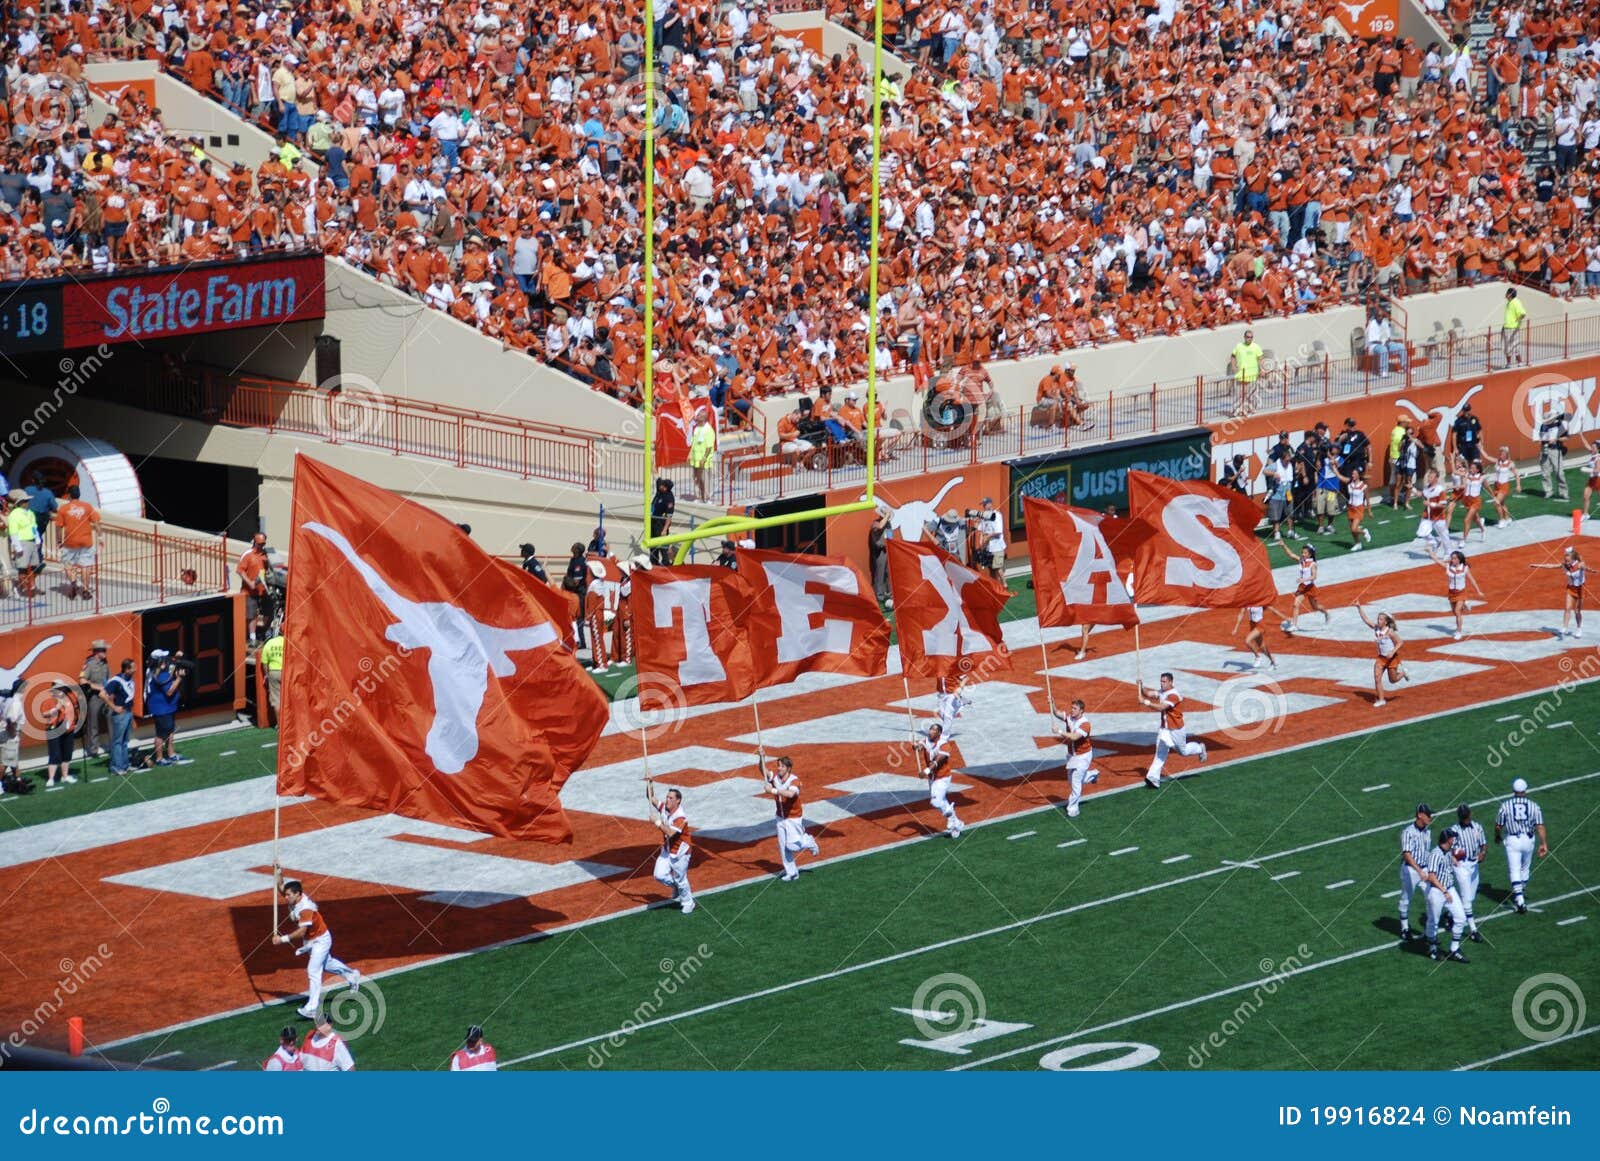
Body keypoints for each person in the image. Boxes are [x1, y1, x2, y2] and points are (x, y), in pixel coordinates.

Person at [273, 868, 362, 1018]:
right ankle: (353, 976)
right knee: (327, 964)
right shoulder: (294, 897)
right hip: (311, 941)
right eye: (286, 895)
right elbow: (281, 887)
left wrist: (282, 939)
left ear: (298, 894)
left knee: (313, 971)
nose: (286, 897)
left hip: (320, 940)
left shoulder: (305, 908)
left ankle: (312, 1008)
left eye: (289, 895)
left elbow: (301, 931)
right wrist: (278, 869)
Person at [1136, 672, 1207, 789]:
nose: (1162, 684)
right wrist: (1141, 685)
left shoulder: (1174, 695)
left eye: (1164, 682)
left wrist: (1145, 702)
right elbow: (1148, 693)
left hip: (1176, 729)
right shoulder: (1161, 692)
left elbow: (1161, 707)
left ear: (1170, 682)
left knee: (1182, 751)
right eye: (1161, 681)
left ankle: (1200, 748)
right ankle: (1153, 778)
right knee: (1160, 752)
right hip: (1164, 729)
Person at [760, 752, 820, 882]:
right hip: (780, 817)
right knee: (783, 846)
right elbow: (763, 770)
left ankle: (808, 841)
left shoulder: (795, 780)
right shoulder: (775, 778)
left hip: (793, 817)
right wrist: (761, 758)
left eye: (781, 766)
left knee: (792, 845)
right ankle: (792, 873)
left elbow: (790, 794)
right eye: (778, 766)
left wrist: (773, 791)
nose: (778, 768)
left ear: (788, 768)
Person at [1495, 777, 1548, 915]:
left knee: (1514, 870)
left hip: (1513, 839)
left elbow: (1498, 825)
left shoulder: (1505, 805)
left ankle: (1519, 898)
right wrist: (1543, 843)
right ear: (1525, 790)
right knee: (1525, 869)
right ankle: (1520, 896)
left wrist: (1497, 836)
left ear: (1513, 791)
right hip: (1528, 839)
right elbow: (1540, 826)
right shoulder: (1533, 806)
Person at [1421, 828, 1470, 963]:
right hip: (1437, 891)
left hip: (1449, 889)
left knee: (1461, 917)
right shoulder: (1435, 854)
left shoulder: (1447, 852)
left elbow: (1449, 860)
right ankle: (1432, 949)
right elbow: (1431, 876)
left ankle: (1454, 949)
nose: (1454, 840)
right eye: (1452, 838)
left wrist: (1455, 860)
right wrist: (1444, 891)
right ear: (1448, 840)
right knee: (1433, 921)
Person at [646, 782, 695, 914]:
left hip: (680, 852)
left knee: (681, 879)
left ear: (678, 801)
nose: (667, 800)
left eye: (671, 798)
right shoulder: (664, 808)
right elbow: (651, 798)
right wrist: (650, 783)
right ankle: (676, 887)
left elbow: (670, 833)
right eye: (667, 797)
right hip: (667, 850)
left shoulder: (680, 817)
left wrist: (656, 822)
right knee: (659, 875)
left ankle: (688, 903)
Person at [1052, 698, 1099, 819]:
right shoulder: (1069, 718)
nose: (1071, 710)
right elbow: (1056, 713)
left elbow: (1074, 737)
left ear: (1081, 710)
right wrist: (1052, 703)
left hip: (1083, 756)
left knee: (1076, 782)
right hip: (1072, 756)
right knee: (1071, 781)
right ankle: (1092, 775)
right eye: (1071, 708)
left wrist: (1059, 731)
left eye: (1074, 708)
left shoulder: (1085, 724)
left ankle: (1073, 808)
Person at [1447, 803, 1487, 944]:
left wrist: (1483, 853)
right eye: (1463, 817)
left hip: (1474, 864)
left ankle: (1450, 914)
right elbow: (1449, 849)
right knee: (1466, 899)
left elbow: (1483, 844)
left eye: (1467, 816)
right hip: (1461, 866)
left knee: (1470, 896)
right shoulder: (1454, 830)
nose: (1466, 819)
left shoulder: (1477, 827)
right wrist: (1454, 856)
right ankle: (1473, 930)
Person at [1396, 803, 1434, 945]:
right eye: (1428, 814)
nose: (1430, 817)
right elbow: (1406, 854)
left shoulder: (1427, 832)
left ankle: (1429, 931)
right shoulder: (1408, 832)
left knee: (1431, 897)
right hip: (1411, 870)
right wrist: (1419, 870)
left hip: (1424, 869)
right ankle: (1405, 928)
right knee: (1406, 898)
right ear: (1420, 815)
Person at [1356, 605, 1409, 707]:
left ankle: (1403, 673)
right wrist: (1359, 607)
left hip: (1392, 659)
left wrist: (1392, 652)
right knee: (1377, 677)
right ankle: (1381, 700)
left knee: (1392, 680)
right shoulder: (1376, 628)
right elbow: (1366, 620)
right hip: (1381, 658)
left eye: (1380, 619)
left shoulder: (1390, 632)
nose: (1378, 621)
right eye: (1378, 619)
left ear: (1385, 622)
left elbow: (1400, 642)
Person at [1427, 546, 1483, 641]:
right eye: (1451, 558)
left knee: (1457, 612)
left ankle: (1459, 631)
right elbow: (1436, 560)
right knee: (1454, 612)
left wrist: (1478, 591)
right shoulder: (1448, 567)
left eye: (1454, 558)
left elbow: (1472, 579)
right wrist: (1430, 551)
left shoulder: (1465, 568)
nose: (1452, 560)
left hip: (1461, 592)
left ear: (1459, 559)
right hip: (1452, 593)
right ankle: (1465, 604)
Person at [55, 486, 100, 601]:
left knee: (68, 565)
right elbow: (96, 522)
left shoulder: (63, 509)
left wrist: (59, 541)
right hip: (86, 541)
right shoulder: (87, 507)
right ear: (79, 494)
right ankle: (85, 590)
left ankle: (73, 585)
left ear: (69, 495)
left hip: (70, 542)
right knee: (86, 565)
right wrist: (101, 537)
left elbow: (59, 527)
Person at [918, 722, 963, 838]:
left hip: (943, 777)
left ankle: (951, 816)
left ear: (939, 733)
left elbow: (938, 761)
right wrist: (916, 747)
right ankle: (956, 824)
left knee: (936, 801)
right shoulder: (926, 740)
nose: (931, 732)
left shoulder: (944, 745)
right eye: (930, 729)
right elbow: (919, 745)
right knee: (941, 799)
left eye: (934, 730)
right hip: (933, 778)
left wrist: (927, 771)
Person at [1529, 546, 1585, 638]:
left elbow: (1584, 566)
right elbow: (1551, 566)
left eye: (1568, 560)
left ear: (1573, 559)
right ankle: (1565, 628)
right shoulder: (1565, 565)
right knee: (1567, 608)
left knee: (1577, 611)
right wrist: (1537, 565)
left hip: (1580, 589)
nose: (1566, 562)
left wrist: (1586, 568)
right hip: (1570, 588)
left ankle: (1579, 629)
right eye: (1565, 560)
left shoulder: (1579, 564)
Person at [1273, 542, 1328, 631]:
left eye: (1305, 553)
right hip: (1302, 588)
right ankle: (1294, 625)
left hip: (1310, 588)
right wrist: (1283, 545)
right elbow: (1291, 555)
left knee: (1315, 607)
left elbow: (1314, 576)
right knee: (1295, 604)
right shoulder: (1302, 561)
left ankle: (1326, 613)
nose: (1303, 554)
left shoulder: (1313, 564)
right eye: (1302, 552)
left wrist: (1303, 580)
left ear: (1310, 554)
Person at [144, 650, 184, 764]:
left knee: (170, 730)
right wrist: (179, 678)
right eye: (164, 659)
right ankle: (159, 758)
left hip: (167, 706)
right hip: (161, 708)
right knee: (161, 734)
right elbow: (169, 692)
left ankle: (171, 754)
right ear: (160, 661)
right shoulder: (160, 674)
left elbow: (170, 666)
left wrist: (176, 658)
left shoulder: (153, 670)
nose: (167, 661)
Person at [102, 658, 136, 776]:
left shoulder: (130, 679)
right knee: (118, 741)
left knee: (125, 741)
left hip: (128, 713)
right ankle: (116, 767)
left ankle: (124, 765)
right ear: (127, 669)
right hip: (120, 714)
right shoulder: (116, 680)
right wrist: (114, 707)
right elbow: (102, 694)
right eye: (133, 667)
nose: (135, 669)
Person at [7, 487, 42, 598]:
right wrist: (17, 546)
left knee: (34, 565)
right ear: (21, 503)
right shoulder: (14, 514)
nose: (28, 503)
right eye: (26, 501)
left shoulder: (30, 513)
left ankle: (30, 585)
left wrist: (37, 538)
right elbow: (13, 531)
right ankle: (23, 587)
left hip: (31, 542)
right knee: (22, 567)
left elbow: (33, 527)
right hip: (22, 542)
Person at [79, 639, 111, 759]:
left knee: (111, 720)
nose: (105, 652)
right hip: (94, 697)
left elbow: (108, 677)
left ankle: (113, 745)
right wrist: (97, 687)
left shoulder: (105, 663)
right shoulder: (89, 664)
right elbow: (82, 680)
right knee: (93, 724)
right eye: (103, 650)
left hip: (106, 695)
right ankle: (93, 749)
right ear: (97, 652)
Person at [42, 683, 78, 788]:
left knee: (67, 753)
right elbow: (44, 714)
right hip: (54, 730)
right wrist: (56, 708)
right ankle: (51, 778)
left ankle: (65, 776)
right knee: (55, 754)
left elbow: (74, 710)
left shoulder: (69, 699)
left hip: (68, 729)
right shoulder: (49, 701)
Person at [237, 533, 270, 645]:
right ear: (255, 542)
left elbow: (268, 568)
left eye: (263, 544)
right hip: (250, 591)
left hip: (263, 589)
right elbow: (240, 570)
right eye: (260, 544)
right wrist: (250, 583)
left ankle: (265, 633)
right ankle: (252, 637)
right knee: (251, 615)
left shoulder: (265, 554)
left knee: (267, 611)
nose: (262, 546)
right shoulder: (248, 554)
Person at [1537, 405, 1572, 501]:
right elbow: (1541, 437)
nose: (1547, 422)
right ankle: (1548, 491)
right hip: (1544, 450)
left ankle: (1564, 492)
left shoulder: (1559, 425)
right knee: (1545, 472)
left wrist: (1556, 439)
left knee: (1559, 472)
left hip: (1555, 450)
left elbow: (1567, 437)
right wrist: (1541, 441)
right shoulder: (1543, 426)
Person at [1364, 309, 1407, 377]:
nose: (1380, 318)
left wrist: (1387, 341)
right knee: (1383, 349)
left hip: (1385, 344)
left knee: (1401, 347)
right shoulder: (1372, 324)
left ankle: (1406, 367)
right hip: (1375, 345)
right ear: (1375, 316)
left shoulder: (1385, 322)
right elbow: (1372, 340)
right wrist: (1382, 343)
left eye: (1382, 316)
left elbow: (1388, 336)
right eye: (1379, 316)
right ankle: (1383, 371)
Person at [562, 543, 590, 648]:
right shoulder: (573, 560)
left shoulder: (580, 562)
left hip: (579, 593)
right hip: (572, 591)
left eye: (574, 546)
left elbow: (576, 581)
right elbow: (568, 576)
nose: (571, 547)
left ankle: (581, 642)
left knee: (579, 618)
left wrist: (567, 588)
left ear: (577, 550)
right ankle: (572, 639)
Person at [1419, 468, 1452, 556]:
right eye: (1429, 476)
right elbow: (1421, 494)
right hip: (1427, 515)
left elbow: (1443, 505)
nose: (1429, 478)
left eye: (1431, 477)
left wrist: (1430, 504)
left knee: (1444, 535)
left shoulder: (1440, 490)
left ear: (1436, 478)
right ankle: (1434, 541)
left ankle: (1448, 553)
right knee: (1422, 532)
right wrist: (1412, 489)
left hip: (1438, 516)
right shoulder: (1426, 488)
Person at [1228, 328, 1264, 406]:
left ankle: (1251, 410)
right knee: (1238, 396)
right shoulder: (1239, 346)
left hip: (1252, 376)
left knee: (1252, 396)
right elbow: (1233, 356)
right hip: (1240, 376)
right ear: (1244, 337)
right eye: (1248, 337)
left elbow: (1260, 358)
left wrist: (1262, 369)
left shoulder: (1256, 347)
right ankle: (1237, 410)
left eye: (1251, 337)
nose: (1249, 339)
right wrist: (1233, 366)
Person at [1340, 467, 1372, 549]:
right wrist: (1334, 468)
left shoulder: (1364, 486)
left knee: (1354, 528)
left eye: (1354, 474)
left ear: (1358, 475)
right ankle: (1357, 543)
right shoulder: (1350, 485)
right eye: (1352, 474)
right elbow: (1340, 477)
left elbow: (1367, 499)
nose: (1352, 475)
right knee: (1352, 529)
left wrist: (1369, 511)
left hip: (1359, 508)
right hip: (1351, 508)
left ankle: (1364, 532)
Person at [975, 497, 1006, 582]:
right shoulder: (984, 516)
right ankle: (998, 586)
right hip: (988, 547)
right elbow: (981, 530)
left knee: (997, 567)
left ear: (990, 504)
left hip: (997, 545)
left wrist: (988, 537)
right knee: (992, 568)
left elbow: (999, 531)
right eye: (983, 505)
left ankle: (1004, 584)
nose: (984, 506)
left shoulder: (997, 515)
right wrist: (981, 543)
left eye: (986, 504)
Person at [689, 409, 717, 502]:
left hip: (704, 460)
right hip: (695, 459)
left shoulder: (708, 430)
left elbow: (709, 446)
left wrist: (704, 458)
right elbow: (693, 443)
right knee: (696, 478)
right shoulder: (696, 428)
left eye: (699, 416)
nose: (696, 417)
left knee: (705, 479)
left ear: (703, 418)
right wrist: (689, 454)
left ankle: (708, 497)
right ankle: (699, 496)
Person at [1489, 446, 1521, 525]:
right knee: (1502, 504)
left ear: (1506, 455)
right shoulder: (1497, 461)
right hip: (1496, 485)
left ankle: (1501, 520)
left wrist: (1518, 485)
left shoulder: (1510, 463)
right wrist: (1480, 449)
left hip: (1504, 486)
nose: (1501, 456)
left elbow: (1517, 475)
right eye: (1500, 454)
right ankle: (1507, 518)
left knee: (1496, 503)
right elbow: (1487, 457)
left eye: (1503, 454)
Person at [649, 478, 676, 565]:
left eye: (662, 485)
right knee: (652, 545)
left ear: (665, 488)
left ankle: (666, 563)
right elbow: (657, 477)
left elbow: (669, 516)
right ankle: (653, 562)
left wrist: (664, 530)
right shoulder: (660, 490)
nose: (659, 486)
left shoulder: (669, 498)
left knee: (662, 546)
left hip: (661, 523)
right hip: (653, 521)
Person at [1501, 286, 1528, 367]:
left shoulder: (1516, 302)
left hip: (1513, 328)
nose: (1505, 295)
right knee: (1507, 346)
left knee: (1515, 345)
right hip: (1507, 327)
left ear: (1509, 294)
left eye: (1506, 293)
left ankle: (1519, 362)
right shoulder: (1509, 303)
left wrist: (1517, 321)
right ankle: (1509, 363)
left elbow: (1523, 313)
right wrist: (1504, 326)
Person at [868, 510, 891, 604]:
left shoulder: (889, 525)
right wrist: (887, 515)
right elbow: (880, 526)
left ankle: (888, 594)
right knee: (880, 574)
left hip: (887, 550)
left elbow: (890, 536)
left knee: (888, 573)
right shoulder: (875, 523)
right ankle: (879, 596)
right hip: (879, 551)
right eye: (887, 515)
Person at [260, 631, 285, 714]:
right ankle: (289, 725)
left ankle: (279, 726)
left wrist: (266, 675)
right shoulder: (289, 642)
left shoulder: (269, 643)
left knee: (276, 701)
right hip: (287, 672)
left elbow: (264, 663)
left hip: (274, 672)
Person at [1450, 402, 1484, 466]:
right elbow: (1454, 435)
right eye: (1464, 411)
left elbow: (1479, 430)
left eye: (1467, 410)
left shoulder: (1474, 419)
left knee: (1476, 463)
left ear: (1470, 410)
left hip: (1473, 444)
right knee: (1464, 464)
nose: (1466, 412)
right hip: (1463, 445)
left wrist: (1481, 442)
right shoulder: (1458, 421)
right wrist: (1455, 448)